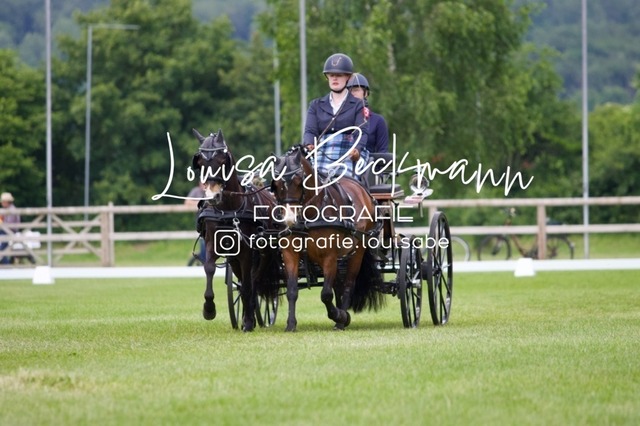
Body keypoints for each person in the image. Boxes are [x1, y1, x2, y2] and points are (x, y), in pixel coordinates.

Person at [303, 53, 369, 179]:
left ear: (348, 77)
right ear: (327, 77)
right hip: (322, 151)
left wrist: (357, 149)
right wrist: (309, 144)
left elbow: (362, 131)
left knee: (346, 182)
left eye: (339, 75)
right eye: (331, 75)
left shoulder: (358, 105)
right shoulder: (315, 105)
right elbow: (310, 131)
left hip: (349, 151)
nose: (334, 78)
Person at [346, 73, 389, 154]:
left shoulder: (377, 121)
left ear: (365, 93)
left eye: (356, 90)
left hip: (367, 160)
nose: (352, 94)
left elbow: (383, 153)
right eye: (348, 91)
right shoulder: (337, 120)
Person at [185, 183, 206, 265]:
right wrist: (201, 203)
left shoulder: (212, 190)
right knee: (203, 241)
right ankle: (203, 262)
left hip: (212, 221)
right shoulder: (196, 191)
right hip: (201, 223)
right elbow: (187, 202)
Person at [1, 192, 20, 264]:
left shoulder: (11, 210)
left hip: (9, 231)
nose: (2, 203)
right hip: (7, 231)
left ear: (7, 202)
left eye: (3, 201)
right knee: (2, 249)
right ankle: (7, 264)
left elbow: (9, 224)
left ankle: (7, 265)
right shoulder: (8, 209)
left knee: (2, 250)